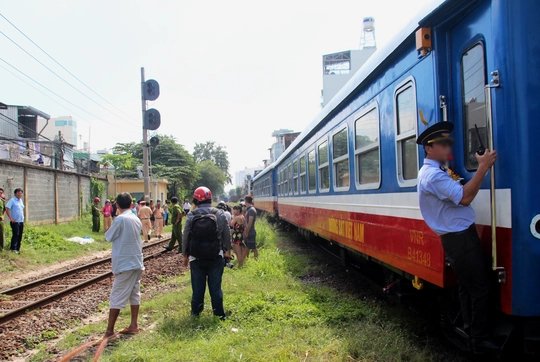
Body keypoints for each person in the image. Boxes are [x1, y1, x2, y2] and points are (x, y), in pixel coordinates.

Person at [416, 122, 499, 354]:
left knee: (467, 286)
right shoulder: (433, 175)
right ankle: (480, 339)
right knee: (480, 288)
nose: (447, 147)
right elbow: (464, 198)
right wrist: (482, 167)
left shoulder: (437, 172)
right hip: (459, 238)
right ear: (429, 148)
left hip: (458, 237)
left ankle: (472, 333)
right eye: (442, 143)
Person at [182, 186, 231, 319]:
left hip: (196, 258)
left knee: (197, 288)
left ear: (196, 200)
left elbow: (185, 236)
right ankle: (220, 315)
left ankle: (195, 314)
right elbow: (227, 234)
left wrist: (185, 255)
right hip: (216, 256)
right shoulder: (220, 213)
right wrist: (227, 250)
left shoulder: (192, 215)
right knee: (215, 287)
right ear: (210, 198)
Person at [104, 192, 144, 338]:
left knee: (116, 296)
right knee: (134, 293)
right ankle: (134, 324)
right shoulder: (136, 218)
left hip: (124, 264)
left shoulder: (120, 219)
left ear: (117, 205)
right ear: (131, 204)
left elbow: (108, 237)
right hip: (137, 261)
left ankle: (109, 331)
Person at [5, 188, 25, 254]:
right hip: (15, 222)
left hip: (21, 221)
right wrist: (11, 218)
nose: (20, 194)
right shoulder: (12, 200)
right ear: (15, 194)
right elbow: (7, 209)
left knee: (20, 235)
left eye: (21, 193)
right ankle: (13, 248)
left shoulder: (20, 201)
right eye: (18, 193)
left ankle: (18, 249)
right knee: (16, 234)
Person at [243, 195, 258, 259]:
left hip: (250, 231)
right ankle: (247, 258)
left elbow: (250, 222)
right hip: (249, 231)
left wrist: (246, 231)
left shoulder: (251, 210)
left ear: (246, 201)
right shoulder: (249, 209)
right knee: (247, 246)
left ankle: (256, 259)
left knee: (253, 247)